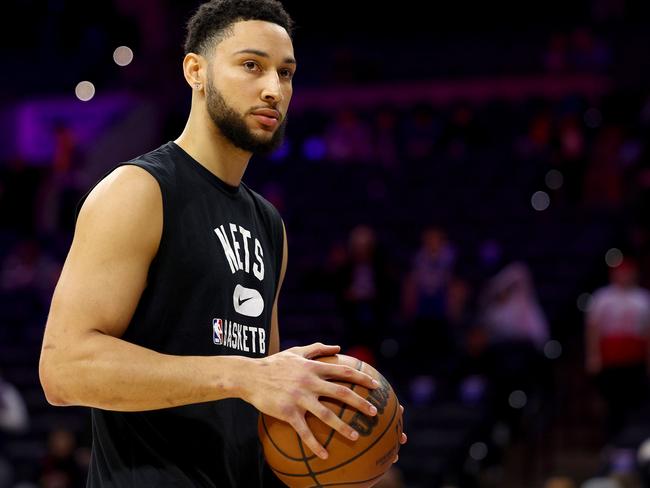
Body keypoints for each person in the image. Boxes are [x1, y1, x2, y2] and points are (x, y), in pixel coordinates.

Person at [38, 1, 406, 486]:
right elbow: (64, 369)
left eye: (287, 73)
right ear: (197, 71)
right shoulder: (139, 191)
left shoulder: (268, 223)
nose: (274, 89)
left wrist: (336, 420)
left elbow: (261, 401)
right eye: (251, 65)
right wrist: (243, 374)